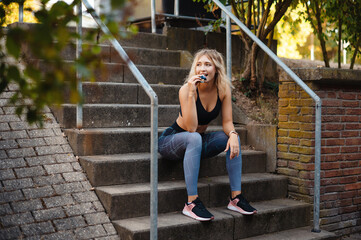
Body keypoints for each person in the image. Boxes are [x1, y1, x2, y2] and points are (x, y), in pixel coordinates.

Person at [158, 49, 257, 221]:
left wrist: (233, 133)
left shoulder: (223, 89)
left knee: (232, 138)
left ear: (217, 69)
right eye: (198, 64)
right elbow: (191, 127)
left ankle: (236, 198)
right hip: (171, 141)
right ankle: (191, 203)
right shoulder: (185, 90)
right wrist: (191, 93)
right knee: (195, 136)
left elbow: (227, 122)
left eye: (207, 64)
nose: (202, 69)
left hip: (196, 142)